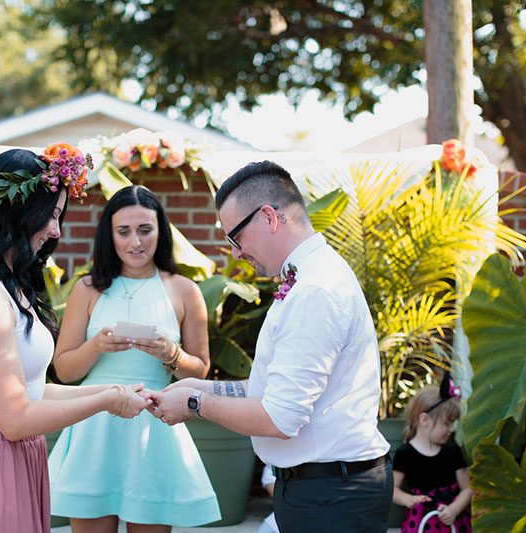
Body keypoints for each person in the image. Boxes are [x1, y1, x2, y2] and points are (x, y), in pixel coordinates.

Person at [148, 160, 393, 532]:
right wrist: (196, 386)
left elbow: (280, 418)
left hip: (331, 497)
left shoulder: (314, 290)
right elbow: (271, 391)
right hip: (320, 489)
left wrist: (194, 404)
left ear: (268, 217)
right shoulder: (305, 278)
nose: (235, 252)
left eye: (236, 237)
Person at [0, 145, 150, 533]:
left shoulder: (5, 284)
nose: (57, 231)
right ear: (18, 210)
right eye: (52, 215)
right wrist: (107, 401)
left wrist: (114, 389)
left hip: (11, 460)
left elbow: (30, 391)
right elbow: (14, 419)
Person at [47, 185, 221, 532]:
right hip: (94, 423)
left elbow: (201, 369)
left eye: (145, 230)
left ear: (161, 231)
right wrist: (96, 346)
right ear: (109, 234)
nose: (135, 242)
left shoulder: (185, 290)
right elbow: (64, 371)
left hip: (154, 425)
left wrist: (170, 354)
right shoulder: (87, 289)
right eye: (123, 231)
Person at [392, 374, 472, 533]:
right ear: (424, 420)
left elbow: (468, 488)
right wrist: (408, 499)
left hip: (452, 522)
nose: (451, 429)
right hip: (421, 522)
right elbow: (392, 489)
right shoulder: (405, 454)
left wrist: (454, 509)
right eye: (447, 423)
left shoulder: (452, 451)